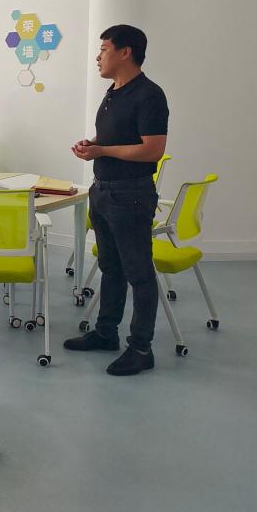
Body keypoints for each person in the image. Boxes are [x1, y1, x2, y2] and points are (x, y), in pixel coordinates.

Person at [64, 25, 169, 377]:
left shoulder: (150, 95)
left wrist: (103, 151)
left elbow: (152, 150)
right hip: (104, 190)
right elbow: (116, 138)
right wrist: (93, 144)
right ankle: (106, 332)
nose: (98, 56)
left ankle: (140, 348)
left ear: (126, 52)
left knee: (139, 272)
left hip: (131, 195)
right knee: (111, 267)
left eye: (104, 49)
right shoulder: (113, 92)